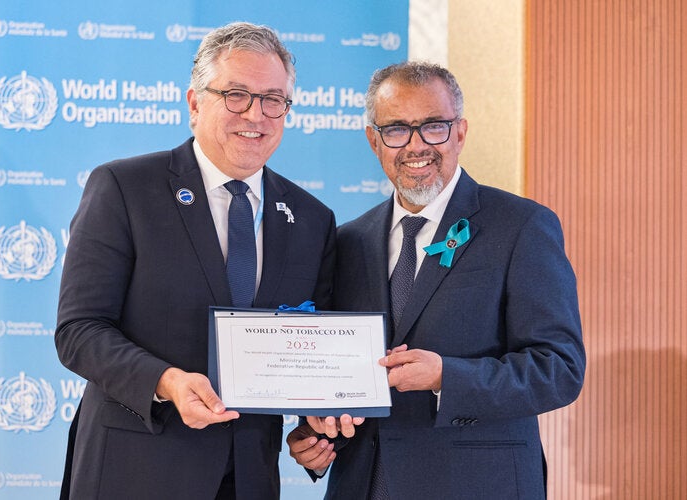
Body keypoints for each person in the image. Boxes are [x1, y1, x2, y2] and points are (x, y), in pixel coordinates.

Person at [55, 22, 336, 500]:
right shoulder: (124, 188)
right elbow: (79, 330)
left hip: (249, 477)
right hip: (134, 471)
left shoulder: (312, 218)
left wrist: (314, 429)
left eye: (273, 99)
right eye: (236, 94)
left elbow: (315, 353)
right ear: (194, 103)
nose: (257, 114)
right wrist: (165, 382)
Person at [286, 61, 586, 499]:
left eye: (433, 127)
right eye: (396, 130)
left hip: (477, 485)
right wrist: (314, 433)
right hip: (363, 484)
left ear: (460, 132)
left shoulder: (521, 226)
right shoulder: (348, 241)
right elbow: (333, 367)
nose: (416, 145)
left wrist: (446, 376)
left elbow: (559, 369)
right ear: (374, 140)